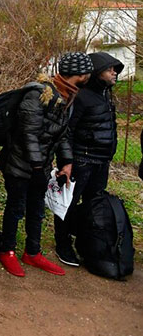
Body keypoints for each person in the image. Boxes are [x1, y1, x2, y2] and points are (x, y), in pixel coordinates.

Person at [0, 52, 92, 277]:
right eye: (87, 73)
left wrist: (66, 162)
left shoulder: (68, 95)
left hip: (42, 165)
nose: (89, 76)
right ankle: (6, 250)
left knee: (37, 210)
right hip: (20, 164)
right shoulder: (39, 93)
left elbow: (63, 133)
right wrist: (37, 168)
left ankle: (32, 252)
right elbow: (28, 133)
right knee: (15, 208)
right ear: (79, 74)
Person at [54, 52, 123, 266]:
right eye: (109, 69)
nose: (114, 73)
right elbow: (67, 130)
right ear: (95, 72)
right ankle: (62, 244)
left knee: (93, 206)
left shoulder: (105, 95)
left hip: (102, 162)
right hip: (82, 161)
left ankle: (88, 243)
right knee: (68, 204)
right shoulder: (81, 97)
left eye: (116, 70)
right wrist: (67, 161)